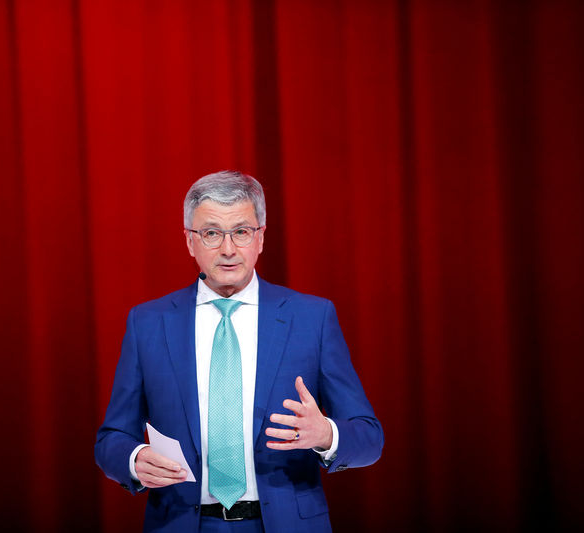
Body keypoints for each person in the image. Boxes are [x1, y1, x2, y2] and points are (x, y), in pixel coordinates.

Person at [95, 171, 383, 532]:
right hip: (183, 522)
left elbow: (369, 438)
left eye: (242, 232)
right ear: (189, 241)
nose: (228, 249)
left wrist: (326, 434)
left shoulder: (312, 318)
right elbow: (111, 439)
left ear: (260, 238)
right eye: (212, 233)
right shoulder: (148, 323)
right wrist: (134, 459)